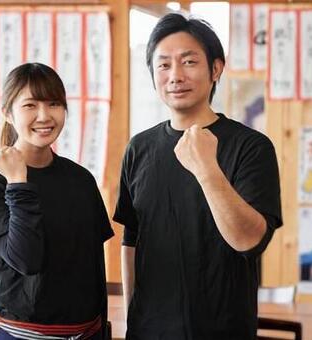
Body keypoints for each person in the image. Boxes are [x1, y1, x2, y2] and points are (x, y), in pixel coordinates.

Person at [114, 13, 282, 340]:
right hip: (149, 331)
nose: (176, 75)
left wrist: (206, 168)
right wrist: (132, 317)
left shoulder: (251, 147)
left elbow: (248, 240)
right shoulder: (139, 148)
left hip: (224, 330)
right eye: (163, 65)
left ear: (215, 69)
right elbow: (131, 238)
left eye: (189, 61)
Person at [0, 63, 114, 340]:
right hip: (19, 335)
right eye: (30, 105)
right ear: (8, 114)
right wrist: (17, 183)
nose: (44, 116)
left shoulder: (80, 179)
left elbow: (93, 266)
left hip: (87, 333)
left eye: (54, 103)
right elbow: (26, 259)